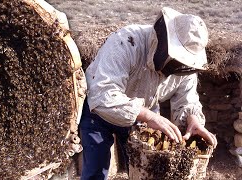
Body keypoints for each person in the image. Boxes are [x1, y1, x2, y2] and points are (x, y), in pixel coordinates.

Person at [79, 7, 218, 180]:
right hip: (98, 111)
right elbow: (103, 94)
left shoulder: (185, 66)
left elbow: (186, 98)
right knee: (95, 170)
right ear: (161, 40)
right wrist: (152, 117)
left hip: (145, 113)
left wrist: (192, 119)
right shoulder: (125, 42)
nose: (177, 68)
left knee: (147, 170)